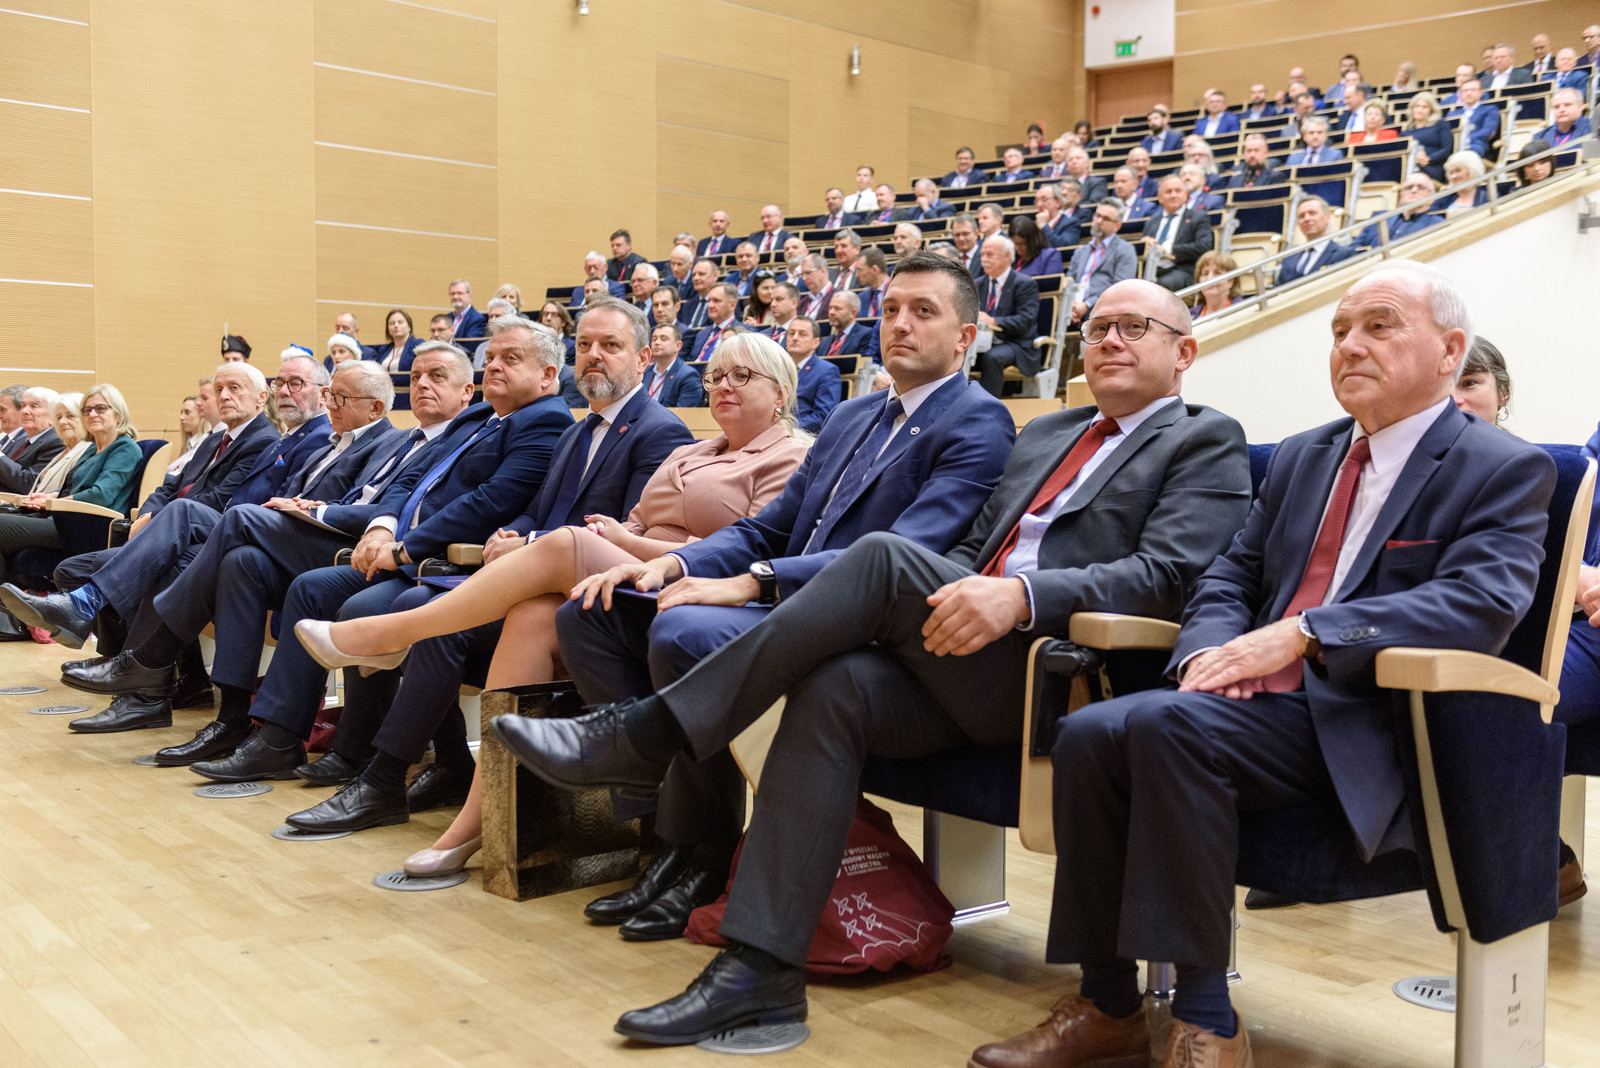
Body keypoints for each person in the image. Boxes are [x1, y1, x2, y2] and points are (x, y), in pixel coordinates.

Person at [498, 277, 1252, 1046]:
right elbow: (970, 548)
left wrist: (1021, 596)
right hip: (960, 648)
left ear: (1184, 352)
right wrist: (949, 596)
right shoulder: (1050, 433)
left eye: (1135, 327)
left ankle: (645, 733)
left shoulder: (1205, 438)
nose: (1110, 340)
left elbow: (1166, 575)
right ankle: (760, 973)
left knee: (884, 555)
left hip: (1057, 670)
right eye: (1098, 327)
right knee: (837, 685)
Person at [972, 260, 1557, 1068]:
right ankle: (1108, 1003)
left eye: (1379, 326)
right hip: (1252, 706)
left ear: (1450, 350)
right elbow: (1232, 575)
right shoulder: (1305, 456)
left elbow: (1480, 604)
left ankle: (1206, 1017)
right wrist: (1208, 653)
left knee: (1167, 732)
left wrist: (1305, 634)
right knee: (1091, 733)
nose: (1350, 345)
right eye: (1339, 331)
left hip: (1372, 720)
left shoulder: (1502, 465)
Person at [540, 251, 1015, 952]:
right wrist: (675, 561)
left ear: (966, 337)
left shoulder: (978, 421)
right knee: (595, 613)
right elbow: (769, 526)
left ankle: (700, 849)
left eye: (923, 312)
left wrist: (755, 581)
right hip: (781, 599)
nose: (899, 325)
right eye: (890, 310)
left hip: (856, 624)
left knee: (684, 633)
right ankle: (658, 826)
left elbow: (902, 554)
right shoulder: (853, 415)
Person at [287, 334, 808, 845]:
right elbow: (629, 520)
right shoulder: (690, 452)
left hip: (698, 589)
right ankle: (477, 819)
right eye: (716, 377)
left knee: (563, 544)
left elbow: (748, 550)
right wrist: (550, 538)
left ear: (781, 392)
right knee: (532, 615)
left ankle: (388, 638)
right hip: (624, 576)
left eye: (741, 376)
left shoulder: (787, 457)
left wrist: (625, 543)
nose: (723, 386)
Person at [123, 317, 592, 775]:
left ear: (548, 374)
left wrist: (403, 547)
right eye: (490, 357)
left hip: (437, 560)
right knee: (254, 565)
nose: (493, 365)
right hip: (388, 544)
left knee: (250, 529)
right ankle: (265, 733)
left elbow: (489, 502)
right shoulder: (480, 416)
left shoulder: (545, 421)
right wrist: (384, 528)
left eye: (510, 358)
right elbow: (412, 479)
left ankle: (357, 752)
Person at [13, 362, 287, 652]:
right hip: (170, 527)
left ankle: (105, 630)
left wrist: (157, 518)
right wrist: (146, 514)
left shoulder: (263, 441)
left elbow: (218, 500)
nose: (224, 396)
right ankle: (111, 655)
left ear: (261, 397)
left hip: (205, 535)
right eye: (219, 389)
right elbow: (169, 487)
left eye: (234, 388)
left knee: (154, 549)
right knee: (71, 570)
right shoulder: (216, 439)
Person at [0, 386, 142, 569]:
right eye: (87, 410)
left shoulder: (125, 448)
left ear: (118, 415)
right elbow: (73, 485)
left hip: (90, 526)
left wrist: (54, 503)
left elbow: (101, 495)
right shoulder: (93, 447)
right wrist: (51, 496)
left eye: (100, 408)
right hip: (65, 520)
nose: (92, 414)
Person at [972, 234, 1043, 396]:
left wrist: (993, 321)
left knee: (992, 357)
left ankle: (988, 406)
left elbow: (1025, 320)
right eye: (982, 254)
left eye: (990, 255)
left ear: (1007, 256)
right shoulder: (977, 284)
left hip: (1016, 344)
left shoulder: (1025, 284)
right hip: (982, 341)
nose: (984, 259)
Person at [1068, 202, 1138, 326]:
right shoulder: (1080, 251)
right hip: (1072, 308)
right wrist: (1071, 306)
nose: (1099, 221)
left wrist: (1087, 305)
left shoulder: (1125, 250)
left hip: (1103, 309)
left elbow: (1120, 287)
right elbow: (1069, 281)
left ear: (1117, 226)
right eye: (1097, 216)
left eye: (1105, 219)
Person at [1143, 175, 1214, 291]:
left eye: (1178, 191)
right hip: (1152, 270)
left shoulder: (1198, 217)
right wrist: (1143, 245)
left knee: (1160, 287)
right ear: (1160, 197)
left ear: (1186, 195)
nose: (1173, 195)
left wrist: (1166, 249)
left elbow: (1204, 246)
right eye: (1169, 191)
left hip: (1182, 271)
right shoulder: (1151, 222)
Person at [1276, 196, 1358, 286]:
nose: (1306, 218)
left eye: (1312, 213)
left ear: (1327, 218)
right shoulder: (1288, 260)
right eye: (1301, 216)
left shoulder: (1345, 255)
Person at [781, 316, 842, 434]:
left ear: (816, 342)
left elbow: (822, 416)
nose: (795, 338)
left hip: (802, 435)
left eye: (802, 334)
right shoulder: (778, 368)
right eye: (791, 333)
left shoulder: (827, 371)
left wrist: (788, 428)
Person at [0, 386, 65, 492]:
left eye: (34, 406)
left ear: (53, 414)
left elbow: (31, 483)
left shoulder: (56, 442)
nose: (25, 411)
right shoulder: (21, 439)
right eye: (23, 406)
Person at [1354, 174, 1445, 247]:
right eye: (1409, 187)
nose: (1414, 190)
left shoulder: (1437, 224)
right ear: (1401, 195)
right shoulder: (1379, 218)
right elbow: (1353, 249)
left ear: (1431, 198)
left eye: (1421, 187)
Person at [642, 322, 704, 407]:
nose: (657, 342)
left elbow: (684, 412)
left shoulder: (688, 376)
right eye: (654, 339)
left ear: (678, 346)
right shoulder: (645, 373)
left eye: (663, 339)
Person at [1405, 90, 1453, 183]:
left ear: (1431, 110)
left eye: (1424, 107)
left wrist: (1428, 159)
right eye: (1417, 106)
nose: (1419, 110)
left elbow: (1447, 149)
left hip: (1432, 166)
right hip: (1410, 166)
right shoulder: (1406, 132)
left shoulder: (1440, 124)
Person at [689, 283, 742, 363]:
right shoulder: (701, 333)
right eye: (709, 301)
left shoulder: (745, 332)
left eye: (716, 301)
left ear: (732, 305)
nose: (710, 305)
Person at [1450, 79, 1501, 159]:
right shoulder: (1452, 113)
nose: (1469, 93)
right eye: (1465, 90)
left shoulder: (1490, 110)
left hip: (1476, 146)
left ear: (1480, 93)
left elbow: (1488, 131)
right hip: (1452, 147)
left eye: (1473, 90)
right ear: (1460, 94)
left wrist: (1465, 140)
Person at [822, 290, 878, 361]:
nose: (831, 312)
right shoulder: (824, 342)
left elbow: (863, 364)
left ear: (853, 313)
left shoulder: (867, 335)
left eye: (837, 308)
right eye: (830, 308)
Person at [168, 388, 213, 476]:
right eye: (181, 412)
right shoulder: (188, 445)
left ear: (201, 414)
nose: (181, 417)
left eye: (187, 412)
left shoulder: (206, 443)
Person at [1188, 251, 1241, 320]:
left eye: (1217, 273)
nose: (1210, 278)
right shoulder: (1189, 316)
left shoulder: (1243, 310)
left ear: (1230, 281)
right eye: (1205, 273)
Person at [1441, 151, 1490, 216]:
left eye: (1458, 170)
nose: (1454, 176)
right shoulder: (1445, 199)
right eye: (1451, 172)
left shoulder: (1488, 198)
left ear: (1472, 171)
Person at [680, 258, 720, 331]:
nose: (696, 278)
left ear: (715, 276)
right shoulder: (688, 305)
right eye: (694, 275)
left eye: (701, 274)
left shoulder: (722, 303)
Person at [446, 279, 488, 346]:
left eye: (459, 293)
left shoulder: (477, 319)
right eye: (452, 294)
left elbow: (470, 345)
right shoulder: (447, 317)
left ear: (470, 296)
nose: (455, 297)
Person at [854, 249, 890, 318]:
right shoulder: (861, 297)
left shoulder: (897, 292)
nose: (857, 275)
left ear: (874, 269)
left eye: (859, 270)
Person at [798, 255, 834, 320]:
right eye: (802, 274)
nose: (804, 278)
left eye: (808, 273)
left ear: (823, 271)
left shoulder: (838, 297)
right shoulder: (802, 303)